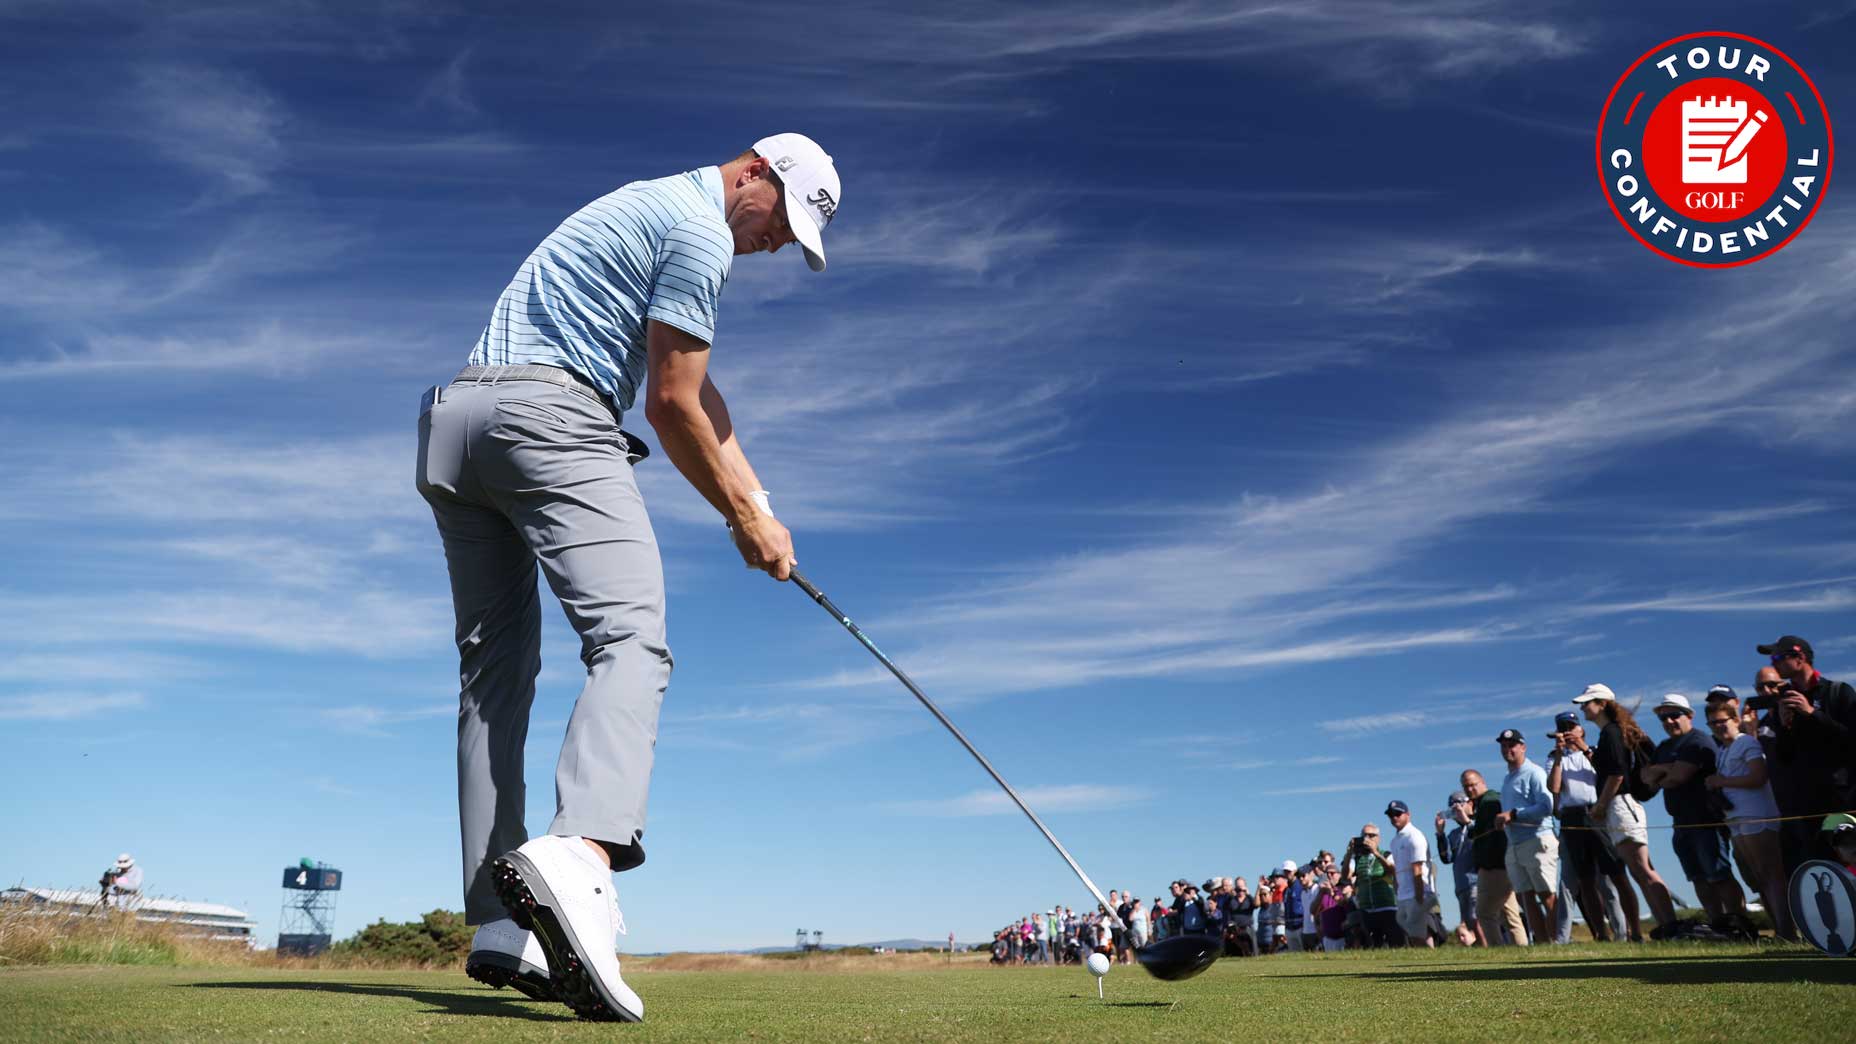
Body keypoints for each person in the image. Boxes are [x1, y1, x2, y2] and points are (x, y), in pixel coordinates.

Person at [420, 134, 840, 1022]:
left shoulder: (649, 202)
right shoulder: (702, 230)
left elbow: (701, 391)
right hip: (550, 418)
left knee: (493, 680)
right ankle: (584, 855)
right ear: (754, 172)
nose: (776, 245)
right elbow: (671, 401)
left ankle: (501, 923)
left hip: (457, 426)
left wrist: (760, 502)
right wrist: (740, 519)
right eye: (783, 221)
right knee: (632, 640)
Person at [1576, 684, 1681, 939]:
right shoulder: (1611, 732)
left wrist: (1601, 805)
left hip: (1621, 805)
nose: (1583, 708)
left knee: (1642, 869)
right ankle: (1666, 925)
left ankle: (1670, 924)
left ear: (1602, 704)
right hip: (1620, 806)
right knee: (1639, 870)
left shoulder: (1611, 733)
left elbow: (1616, 775)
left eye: (1587, 703)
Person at [1638, 694, 1749, 933]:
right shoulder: (1664, 747)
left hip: (1706, 819)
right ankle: (1718, 924)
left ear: (1689, 715)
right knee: (1697, 877)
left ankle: (1740, 923)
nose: (1669, 721)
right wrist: (1669, 769)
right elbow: (1646, 778)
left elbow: (1677, 778)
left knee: (1718, 874)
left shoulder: (1698, 741)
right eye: (1663, 718)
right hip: (1680, 821)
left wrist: (1663, 773)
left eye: (1674, 715)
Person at [1760, 635, 1856, 868]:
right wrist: (1784, 727)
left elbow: (1851, 740)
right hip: (1806, 804)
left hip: (1843, 798)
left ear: (1800, 657)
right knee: (1821, 869)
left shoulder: (1837, 691)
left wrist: (1812, 713)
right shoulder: (1784, 701)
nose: (1774, 664)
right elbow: (1784, 757)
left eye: (1778, 658)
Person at [1704, 703, 1797, 941]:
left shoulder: (1746, 742)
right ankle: (1779, 930)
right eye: (1713, 723)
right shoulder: (1722, 750)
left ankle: (1788, 931)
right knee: (1759, 876)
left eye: (1722, 721)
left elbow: (1759, 777)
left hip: (1757, 813)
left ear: (1735, 720)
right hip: (1735, 816)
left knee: (1772, 873)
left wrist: (1721, 781)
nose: (1718, 726)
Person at [1545, 714, 1633, 942]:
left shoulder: (1593, 752)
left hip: (1597, 812)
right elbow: (1554, 787)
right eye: (1563, 728)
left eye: (1572, 727)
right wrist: (1559, 755)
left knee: (1611, 876)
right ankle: (1601, 933)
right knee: (1585, 880)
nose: (1568, 732)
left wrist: (1583, 747)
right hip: (1571, 817)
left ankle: (1623, 932)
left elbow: (1605, 773)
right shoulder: (1555, 758)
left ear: (1581, 730)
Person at [1495, 730, 1559, 943]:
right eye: (1504, 745)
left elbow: (1547, 806)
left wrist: (1514, 814)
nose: (1507, 749)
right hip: (1515, 844)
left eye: (1512, 745)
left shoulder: (1534, 772)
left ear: (1523, 747)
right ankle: (1542, 942)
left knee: (1546, 893)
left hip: (1537, 839)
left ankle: (1557, 940)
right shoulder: (1507, 779)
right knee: (1525, 896)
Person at [1462, 768, 1527, 946]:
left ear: (1482, 782)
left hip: (1494, 866)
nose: (1470, 789)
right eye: (1466, 786)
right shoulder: (1485, 803)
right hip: (1503, 864)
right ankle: (1521, 949)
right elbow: (1480, 833)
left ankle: (1497, 950)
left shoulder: (1489, 802)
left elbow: (1488, 835)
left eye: (1473, 784)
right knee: (1509, 915)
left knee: (1485, 913)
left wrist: (1489, 864)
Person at [1342, 823, 1403, 947]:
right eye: (1364, 835)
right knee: (1374, 945)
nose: (1367, 838)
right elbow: (1345, 876)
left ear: (1378, 838)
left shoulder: (1386, 854)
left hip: (1387, 906)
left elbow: (1392, 870)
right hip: (1367, 908)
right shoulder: (1357, 858)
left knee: (1395, 943)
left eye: (1371, 835)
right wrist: (1349, 854)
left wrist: (1376, 853)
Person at [1385, 802, 1435, 948]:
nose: (1394, 817)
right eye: (1391, 815)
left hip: (1418, 893)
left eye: (1397, 814)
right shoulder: (1395, 841)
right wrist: (1398, 890)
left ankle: (1429, 956)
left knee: (1415, 932)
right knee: (1407, 927)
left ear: (1408, 815)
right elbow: (1397, 869)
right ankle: (1426, 955)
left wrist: (1419, 896)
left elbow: (1417, 868)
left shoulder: (1414, 836)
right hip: (1404, 894)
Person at [1437, 792, 1482, 945]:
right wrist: (1440, 834)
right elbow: (1446, 858)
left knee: (1477, 919)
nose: (1456, 811)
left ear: (1470, 804)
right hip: (1461, 884)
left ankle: (1488, 948)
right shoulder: (1454, 834)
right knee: (1469, 923)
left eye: (1459, 806)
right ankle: (1482, 951)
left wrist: (1467, 821)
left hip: (1477, 881)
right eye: (1453, 809)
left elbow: (1481, 841)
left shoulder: (1478, 825)